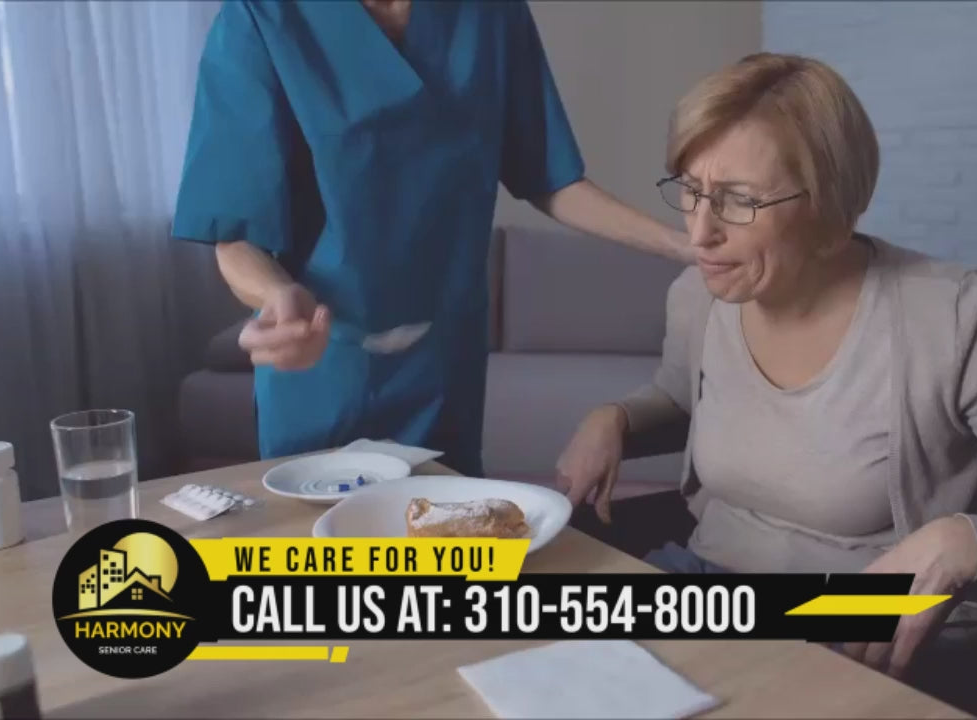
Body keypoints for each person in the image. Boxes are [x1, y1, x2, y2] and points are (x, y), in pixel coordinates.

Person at [556, 52, 977, 684]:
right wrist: (617, 419)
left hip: (855, 622)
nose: (699, 233)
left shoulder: (951, 317)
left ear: (829, 207)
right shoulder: (701, 294)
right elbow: (685, 396)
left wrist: (963, 542)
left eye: (739, 201)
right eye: (691, 190)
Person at [172, 0, 690, 477]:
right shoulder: (262, 16)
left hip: (443, 361)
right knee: (317, 536)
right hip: (322, 359)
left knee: (445, 531)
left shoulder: (493, 15)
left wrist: (683, 245)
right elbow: (234, 234)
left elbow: (550, 179)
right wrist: (278, 297)